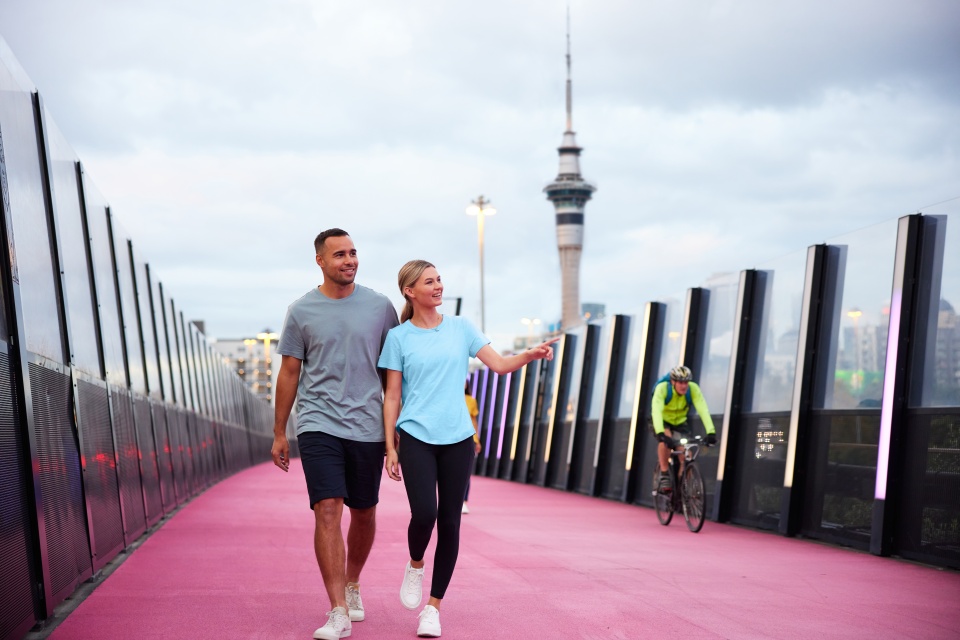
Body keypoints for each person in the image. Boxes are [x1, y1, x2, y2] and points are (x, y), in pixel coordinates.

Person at [378, 260, 558, 638]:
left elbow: (500, 365)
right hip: (415, 437)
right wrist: (389, 446)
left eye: (439, 279)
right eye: (430, 282)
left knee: (450, 521)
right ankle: (415, 564)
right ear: (410, 291)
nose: (439, 286)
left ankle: (433, 607)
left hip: (458, 438)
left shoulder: (461, 328)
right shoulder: (399, 338)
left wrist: (530, 354)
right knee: (424, 513)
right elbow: (391, 395)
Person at [270, 228, 399, 640]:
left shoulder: (380, 307)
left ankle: (352, 582)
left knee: (364, 511)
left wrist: (397, 431)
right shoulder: (301, 310)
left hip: (367, 425)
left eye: (354, 253)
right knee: (327, 509)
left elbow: (393, 374)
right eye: (340, 254)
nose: (349, 260)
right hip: (317, 422)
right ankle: (337, 610)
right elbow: (290, 372)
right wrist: (279, 432)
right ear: (320, 261)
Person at [651, 365, 718, 492]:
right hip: (662, 420)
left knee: (686, 454)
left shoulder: (693, 389)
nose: (684, 386)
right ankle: (664, 474)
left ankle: (684, 485)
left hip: (680, 422)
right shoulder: (662, 389)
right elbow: (656, 411)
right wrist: (660, 433)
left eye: (686, 382)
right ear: (673, 382)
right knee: (665, 440)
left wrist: (711, 432)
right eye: (681, 382)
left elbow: (703, 409)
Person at [462, 382, 481, 514]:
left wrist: (477, 439)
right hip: (449, 437)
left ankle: (463, 501)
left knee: (465, 473)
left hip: (469, 438)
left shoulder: (471, 400)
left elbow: (473, 420)